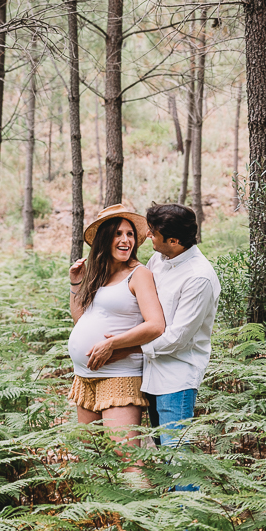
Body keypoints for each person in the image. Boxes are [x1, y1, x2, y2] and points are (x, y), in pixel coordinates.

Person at [89, 203, 221, 490]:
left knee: (178, 460)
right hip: (149, 374)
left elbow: (177, 337)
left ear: (173, 240)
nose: (147, 235)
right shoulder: (159, 260)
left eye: (154, 233)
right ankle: (171, 515)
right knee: (164, 455)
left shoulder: (198, 277)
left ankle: (190, 519)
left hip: (176, 378)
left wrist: (123, 348)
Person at [68, 203, 165, 474]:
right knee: (91, 454)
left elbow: (156, 325)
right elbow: (80, 319)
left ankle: (140, 503)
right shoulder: (99, 274)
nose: (126, 240)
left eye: (130, 234)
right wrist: (76, 282)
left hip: (120, 375)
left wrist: (112, 343)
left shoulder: (139, 274)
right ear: (104, 239)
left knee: (126, 457)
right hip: (85, 377)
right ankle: (103, 505)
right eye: (118, 234)